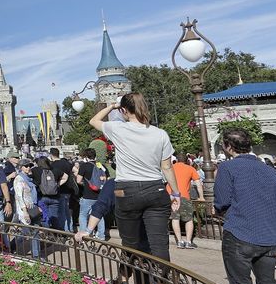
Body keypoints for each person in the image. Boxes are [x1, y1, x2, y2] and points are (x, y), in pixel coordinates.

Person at [89, 93, 180, 264]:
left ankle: (130, 279)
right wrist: (175, 193)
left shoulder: (117, 128)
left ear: (124, 110)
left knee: (130, 243)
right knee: (159, 245)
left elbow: (94, 121)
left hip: (127, 190)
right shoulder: (160, 134)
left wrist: (112, 107)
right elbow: (167, 167)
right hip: (155, 189)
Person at [214, 128, 276, 284]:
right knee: (268, 283)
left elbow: (221, 201)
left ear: (227, 146)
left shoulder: (227, 168)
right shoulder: (269, 169)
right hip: (268, 236)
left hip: (240, 233)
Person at [167, 153, 204, 249]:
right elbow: (198, 184)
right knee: (189, 219)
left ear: (176, 160)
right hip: (184, 196)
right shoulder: (190, 169)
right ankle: (188, 241)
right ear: (187, 160)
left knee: (175, 218)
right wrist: (201, 196)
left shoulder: (171, 168)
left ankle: (179, 241)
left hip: (172, 196)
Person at [74, 149, 108, 240]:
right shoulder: (101, 165)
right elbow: (106, 179)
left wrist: (87, 184)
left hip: (88, 195)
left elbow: (78, 180)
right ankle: (101, 235)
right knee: (99, 215)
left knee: (83, 215)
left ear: (86, 157)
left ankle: (83, 235)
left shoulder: (84, 166)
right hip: (100, 195)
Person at [13, 159, 41, 258]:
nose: (28, 167)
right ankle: (11, 247)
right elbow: (19, 197)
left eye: (29, 165)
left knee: (35, 232)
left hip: (33, 208)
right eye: (26, 166)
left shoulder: (29, 178)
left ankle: (36, 255)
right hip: (24, 210)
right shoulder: (19, 179)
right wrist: (25, 212)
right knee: (26, 233)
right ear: (20, 167)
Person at [31, 157, 68, 230]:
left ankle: (46, 234)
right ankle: (55, 234)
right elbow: (66, 176)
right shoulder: (55, 170)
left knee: (45, 217)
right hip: (55, 198)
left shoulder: (36, 170)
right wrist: (57, 185)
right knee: (54, 217)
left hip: (42, 197)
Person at [49, 148, 77, 232]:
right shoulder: (66, 163)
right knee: (67, 211)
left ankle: (65, 231)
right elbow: (76, 171)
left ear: (51, 155)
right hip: (68, 190)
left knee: (62, 212)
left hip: (59, 190)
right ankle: (70, 228)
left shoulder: (52, 165)